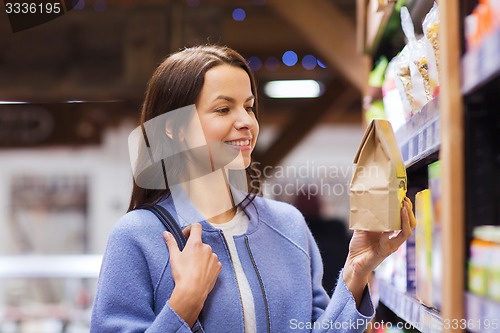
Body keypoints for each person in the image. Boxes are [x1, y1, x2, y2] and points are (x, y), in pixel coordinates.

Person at [90, 44, 417, 333]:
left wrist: (356, 270)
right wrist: (184, 304)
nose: (246, 121)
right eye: (223, 109)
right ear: (174, 129)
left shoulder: (288, 224)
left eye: (248, 106)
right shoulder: (137, 237)